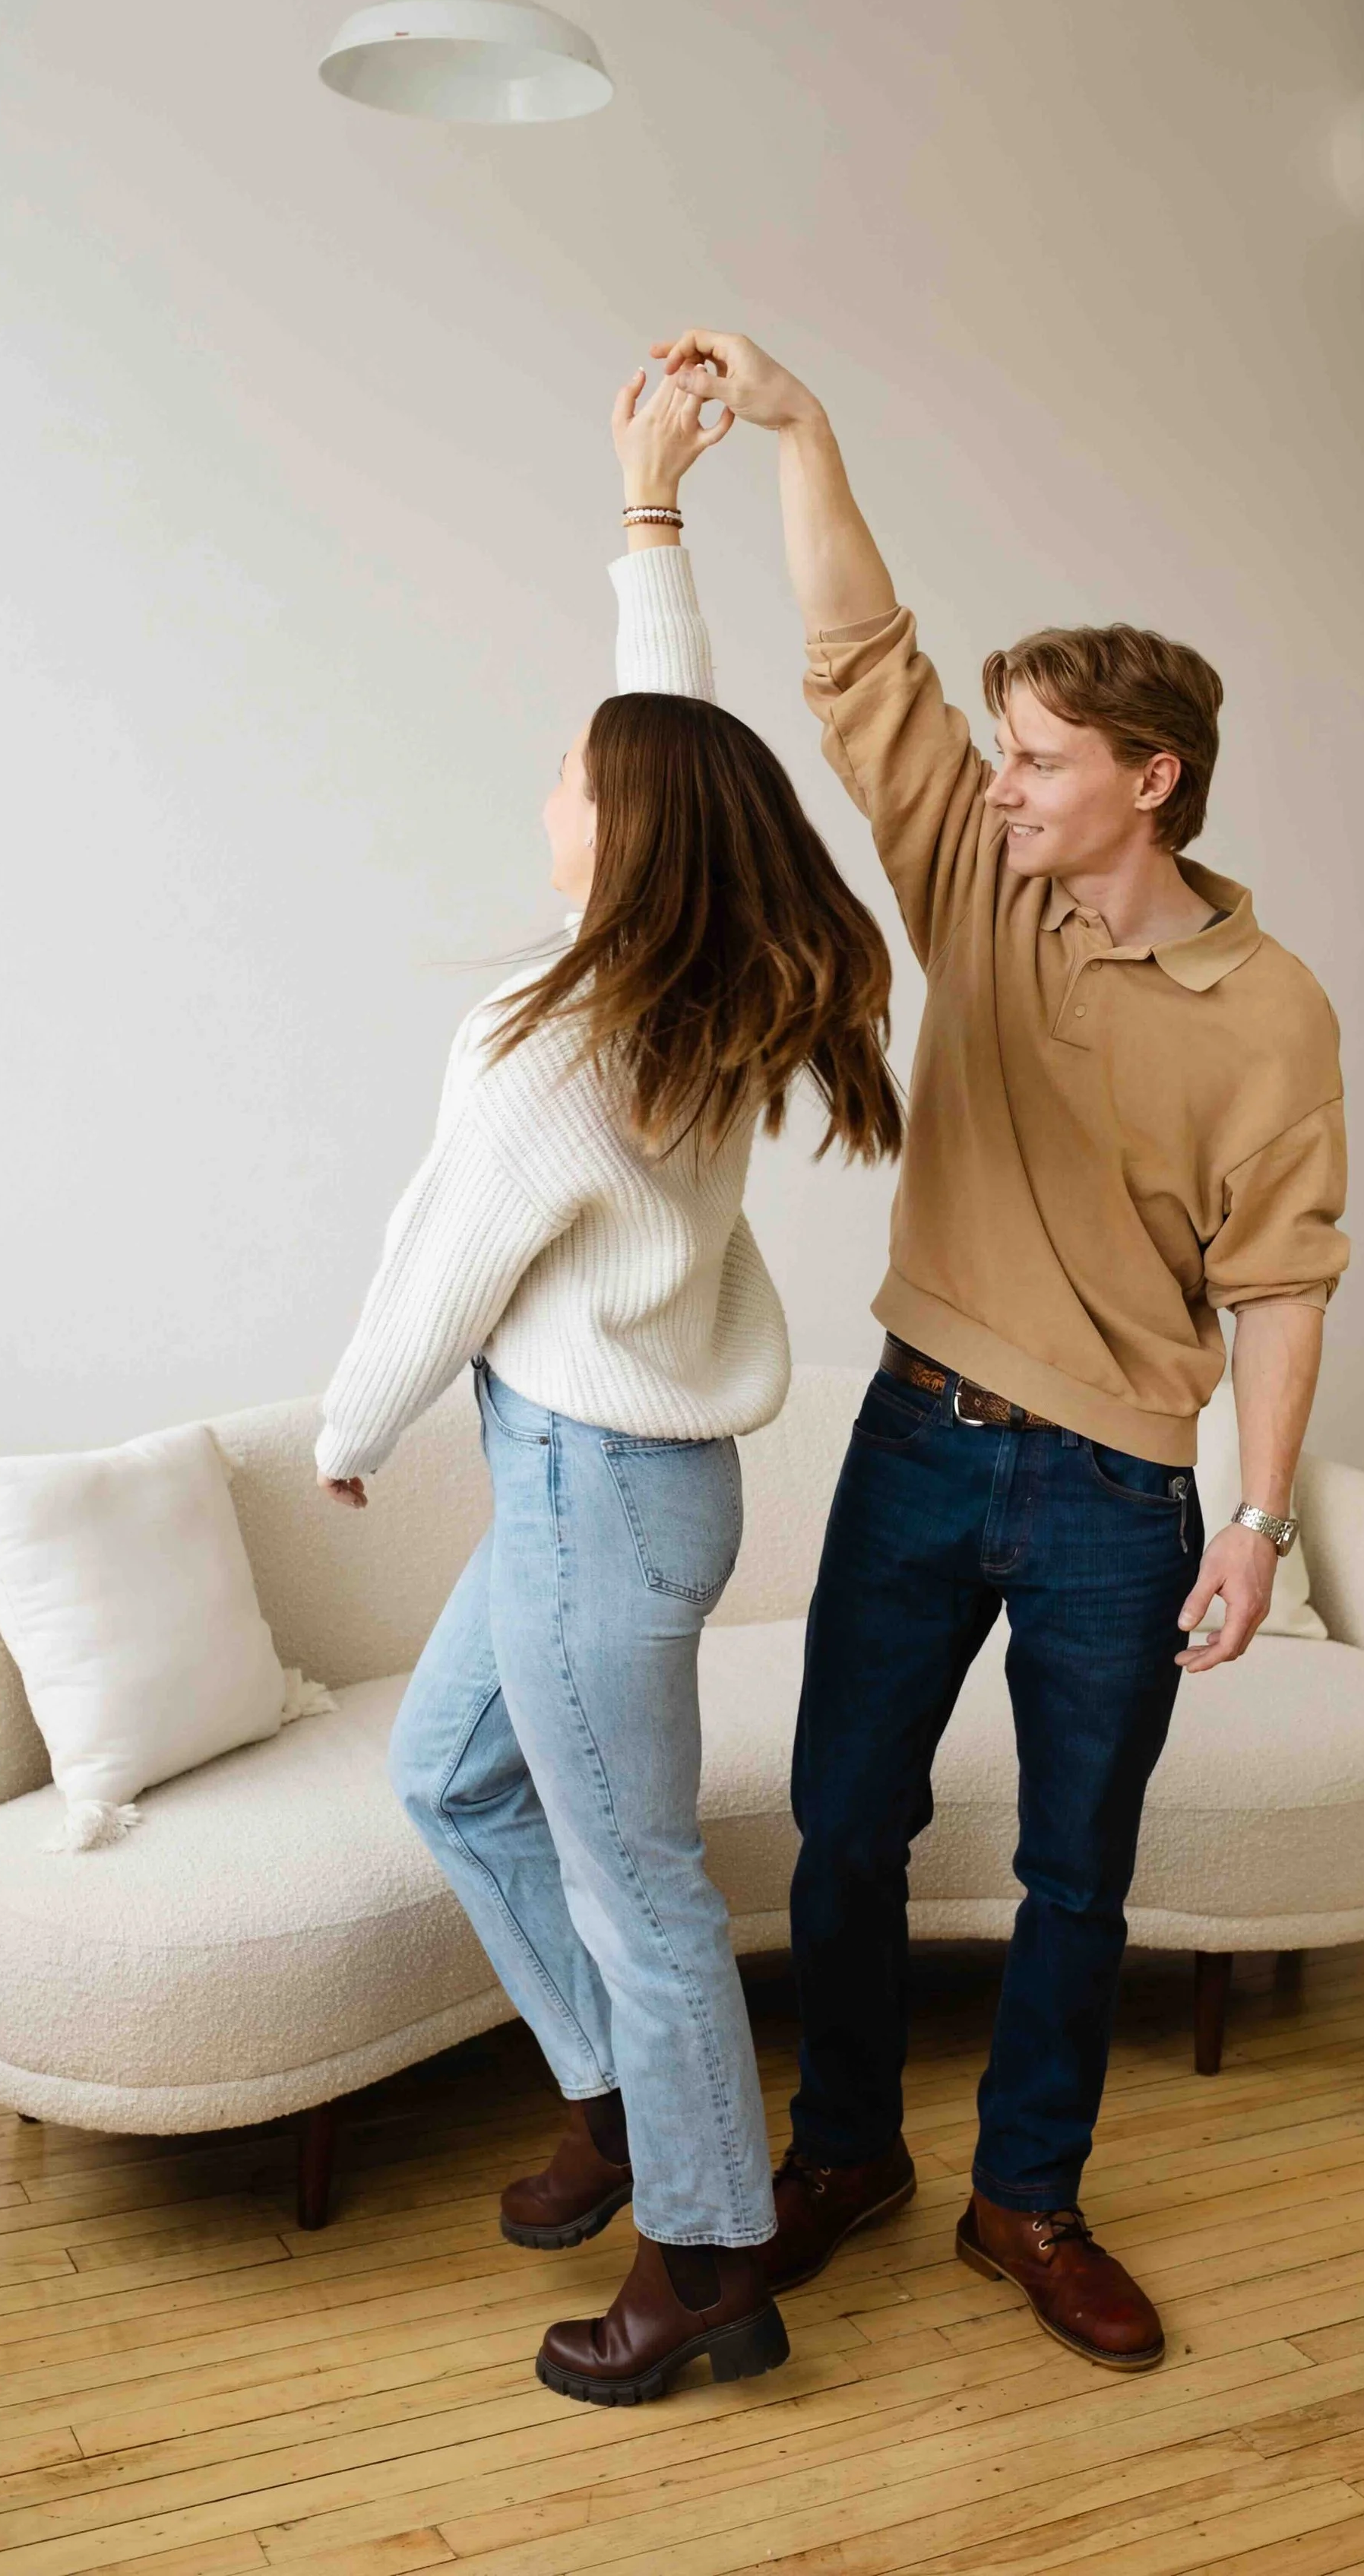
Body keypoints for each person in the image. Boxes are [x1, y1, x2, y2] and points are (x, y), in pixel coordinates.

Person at [649, 327, 1350, 2375]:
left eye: (1037, 754)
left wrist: (1255, 1518)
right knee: (845, 1822)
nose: (996, 778)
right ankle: (848, 2147)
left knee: (1072, 1877)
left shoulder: (1270, 1007)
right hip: (919, 1434)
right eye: (1001, 748)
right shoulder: (978, 873)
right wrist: (799, 426)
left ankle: (1023, 2196)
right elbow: (858, 651)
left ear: (1152, 778)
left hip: (1120, 1492)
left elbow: (1282, 1278)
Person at [314, 367, 901, 2406]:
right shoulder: (691, 970)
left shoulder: (560, 1031)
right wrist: (646, 516)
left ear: (619, 825)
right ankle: (621, 2102)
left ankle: (709, 2255)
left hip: (584, 1505)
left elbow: (444, 1259)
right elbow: (680, 733)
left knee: (636, 1882)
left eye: (575, 767)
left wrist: (344, 1429)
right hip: (634, 1498)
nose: (555, 775)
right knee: (446, 1776)